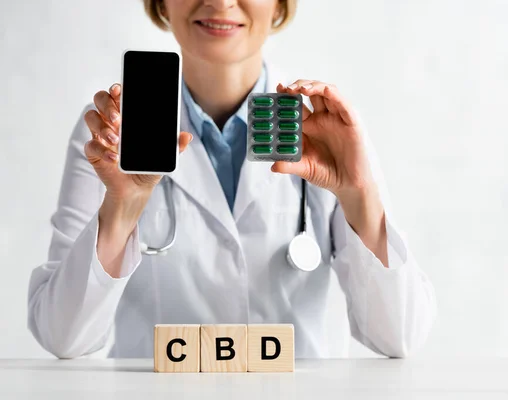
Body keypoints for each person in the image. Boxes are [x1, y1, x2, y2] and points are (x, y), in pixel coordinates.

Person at [27, 0, 437, 359]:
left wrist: (359, 196)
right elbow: (64, 337)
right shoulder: (110, 134)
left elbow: (399, 337)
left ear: (279, 5)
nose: (220, 1)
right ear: (161, 3)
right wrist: (122, 209)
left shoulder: (327, 130)